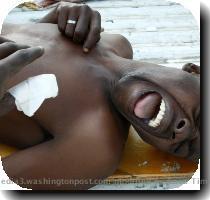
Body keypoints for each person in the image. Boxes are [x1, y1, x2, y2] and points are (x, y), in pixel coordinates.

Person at [0, 3, 200, 190]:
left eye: (185, 146)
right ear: (195, 72)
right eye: (201, 116)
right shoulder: (117, 43)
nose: (182, 132)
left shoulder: (95, 151)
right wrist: (56, 19)